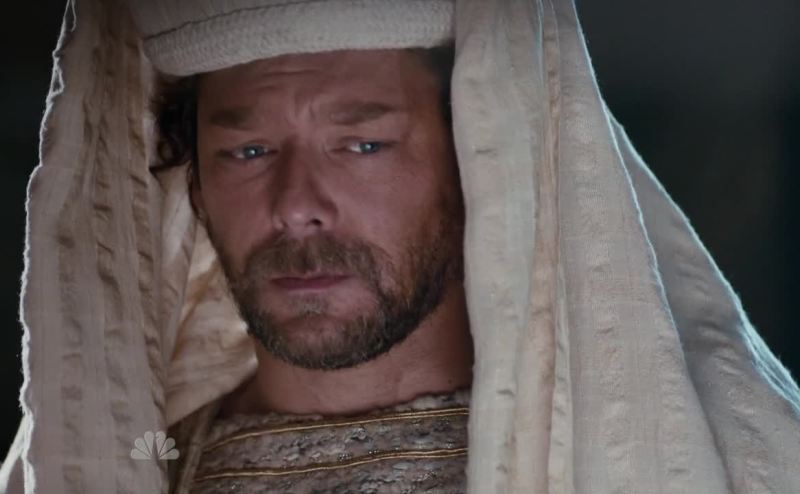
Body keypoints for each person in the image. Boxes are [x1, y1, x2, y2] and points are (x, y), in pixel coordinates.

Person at [1, 0, 799, 492]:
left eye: (362, 145)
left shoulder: (734, 470)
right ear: (197, 184)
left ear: (478, 159)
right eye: (249, 151)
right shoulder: (133, 466)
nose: (297, 206)